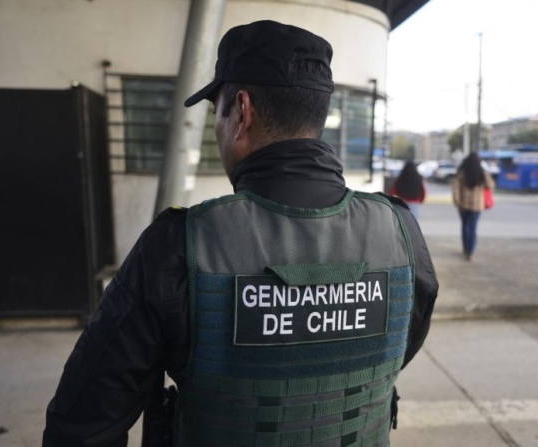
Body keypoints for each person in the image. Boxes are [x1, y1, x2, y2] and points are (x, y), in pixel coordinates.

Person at [43, 21, 438, 447]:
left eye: (218, 111)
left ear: (242, 112)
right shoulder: (400, 231)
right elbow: (400, 349)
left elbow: (83, 423)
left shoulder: (179, 245)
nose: (217, 126)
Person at [452, 152, 495, 261]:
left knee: (465, 226)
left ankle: (465, 249)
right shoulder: (481, 172)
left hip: (463, 205)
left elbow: (455, 189)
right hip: (477, 205)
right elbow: (490, 185)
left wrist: (457, 202)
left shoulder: (461, 173)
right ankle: (470, 252)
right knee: (473, 227)